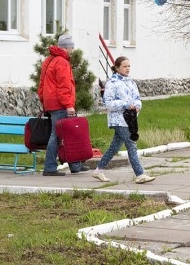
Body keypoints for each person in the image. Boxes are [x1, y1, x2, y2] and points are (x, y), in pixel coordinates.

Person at [92, 56, 155, 184]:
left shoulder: (131, 82)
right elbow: (108, 104)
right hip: (118, 120)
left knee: (114, 147)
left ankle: (98, 170)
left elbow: (137, 98)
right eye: (125, 66)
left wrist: (137, 106)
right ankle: (140, 174)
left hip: (130, 119)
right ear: (117, 68)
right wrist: (125, 104)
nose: (127, 69)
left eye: (129, 66)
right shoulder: (112, 83)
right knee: (132, 144)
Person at [38, 34, 86, 176]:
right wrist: (69, 105)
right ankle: (50, 168)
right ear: (67, 47)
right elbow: (64, 86)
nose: (72, 50)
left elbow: (41, 85)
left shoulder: (49, 60)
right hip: (60, 104)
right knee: (58, 136)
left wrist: (44, 101)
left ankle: (75, 165)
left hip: (51, 103)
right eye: (72, 47)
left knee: (67, 134)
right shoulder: (62, 62)